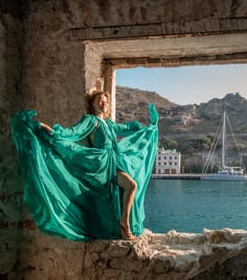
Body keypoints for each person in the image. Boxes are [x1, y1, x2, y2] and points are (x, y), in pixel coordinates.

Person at [11, 91, 158, 241]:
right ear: (92, 104)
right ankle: (123, 224)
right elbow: (73, 132)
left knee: (129, 187)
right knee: (127, 187)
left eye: (106, 101)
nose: (104, 103)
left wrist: (150, 127)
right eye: (100, 100)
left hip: (117, 161)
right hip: (102, 165)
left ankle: (122, 224)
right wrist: (53, 132)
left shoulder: (108, 124)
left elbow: (126, 129)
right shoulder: (91, 120)